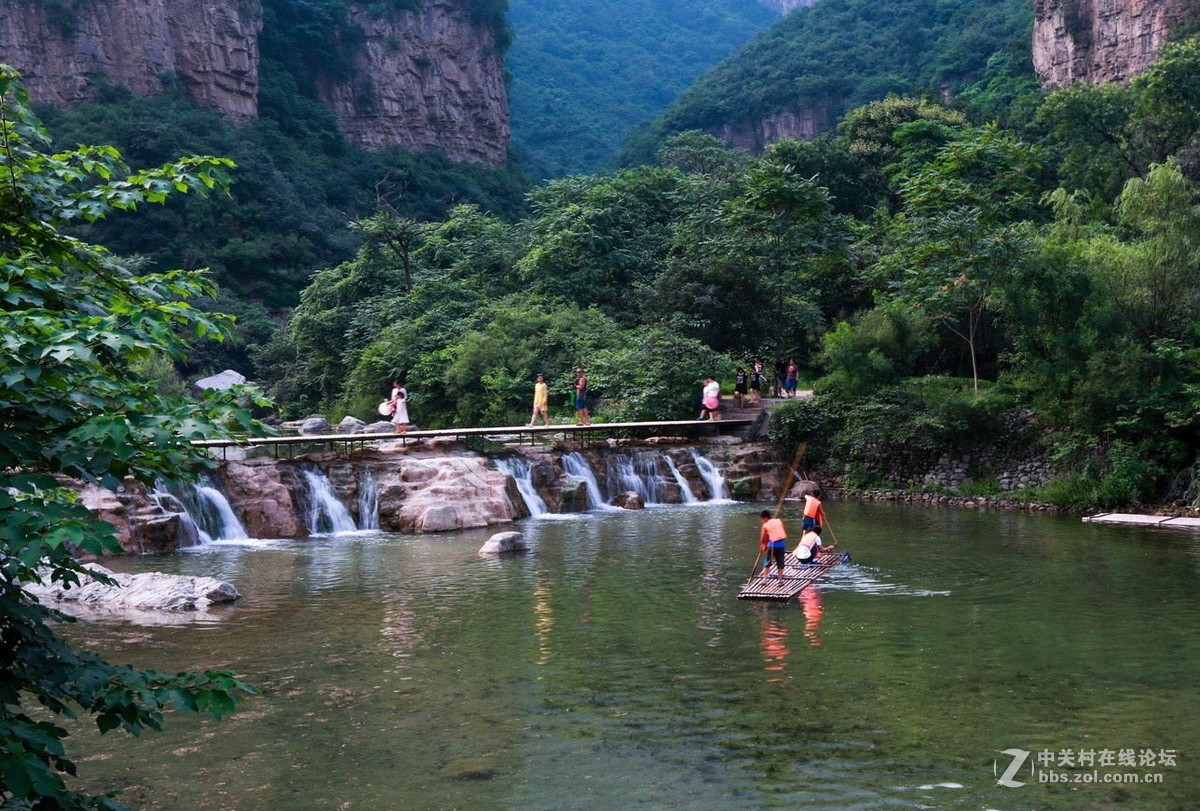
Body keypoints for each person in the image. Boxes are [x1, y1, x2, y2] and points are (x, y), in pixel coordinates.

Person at [759, 510, 788, 579]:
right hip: (781, 545)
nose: (762, 521)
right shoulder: (778, 521)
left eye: (762, 519)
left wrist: (763, 545)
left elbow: (763, 538)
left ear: (765, 518)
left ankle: (764, 579)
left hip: (772, 545)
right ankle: (780, 580)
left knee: (767, 562)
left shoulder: (765, 525)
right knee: (780, 562)